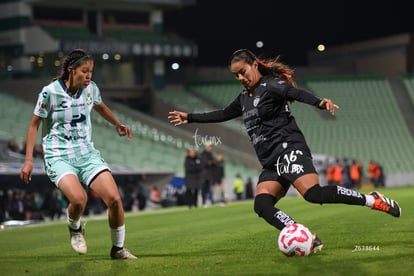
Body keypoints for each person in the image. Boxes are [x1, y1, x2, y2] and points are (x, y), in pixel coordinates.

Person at [168, 48, 401, 253]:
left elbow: (295, 93)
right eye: (235, 75)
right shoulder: (243, 99)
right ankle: (302, 234)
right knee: (262, 205)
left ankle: (372, 200)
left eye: (243, 72)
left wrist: (319, 102)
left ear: (254, 65)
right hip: (270, 162)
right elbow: (221, 114)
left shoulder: (272, 86)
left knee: (313, 194)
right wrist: (189, 117)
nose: (240, 77)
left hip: (288, 148)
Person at [19, 49, 137, 259]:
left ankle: (118, 249)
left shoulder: (91, 89)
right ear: (71, 70)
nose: (89, 75)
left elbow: (100, 106)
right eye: (84, 71)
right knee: (79, 199)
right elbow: (33, 126)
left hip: (87, 154)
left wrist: (117, 124)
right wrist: (28, 160)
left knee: (115, 200)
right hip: (58, 156)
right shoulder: (50, 92)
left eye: (91, 71)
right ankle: (74, 227)